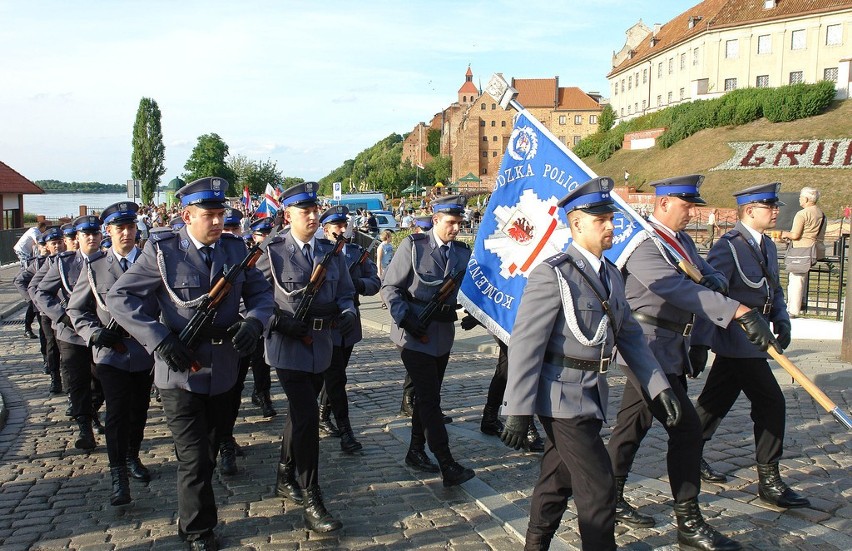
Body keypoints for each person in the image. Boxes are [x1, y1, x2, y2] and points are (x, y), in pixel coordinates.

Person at [499, 176, 683, 551]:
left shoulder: (612, 274)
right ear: (578, 223)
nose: (611, 225)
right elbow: (525, 344)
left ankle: (534, 545)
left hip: (592, 395)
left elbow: (631, 338)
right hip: (559, 399)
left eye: (611, 218)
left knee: (558, 478)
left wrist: (658, 390)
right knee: (599, 488)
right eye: (601, 220)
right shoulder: (553, 274)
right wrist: (516, 408)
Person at [606, 175, 777, 551]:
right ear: (664, 203)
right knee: (685, 430)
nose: (692, 213)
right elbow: (675, 287)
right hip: (644, 348)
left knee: (632, 425)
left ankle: (610, 498)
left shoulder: (679, 241)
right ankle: (688, 522)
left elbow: (701, 275)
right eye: (687, 206)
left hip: (668, 349)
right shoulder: (645, 244)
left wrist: (713, 283)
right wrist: (738, 311)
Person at [107, 177, 273, 550]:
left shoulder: (234, 249)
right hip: (179, 371)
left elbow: (262, 293)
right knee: (194, 457)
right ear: (186, 215)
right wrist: (158, 338)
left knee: (210, 451)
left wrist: (254, 321)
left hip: (225, 369)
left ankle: (193, 520)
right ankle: (198, 530)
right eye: (209, 215)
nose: (217, 222)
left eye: (221, 214)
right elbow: (121, 297)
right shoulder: (164, 251)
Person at [690, 182, 809, 510]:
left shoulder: (768, 246)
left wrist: (782, 319)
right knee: (772, 403)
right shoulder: (727, 247)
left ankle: (688, 451)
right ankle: (769, 480)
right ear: (750, 211)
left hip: (757, 341)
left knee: (714, 403)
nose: (774, 212)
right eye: (769, 207)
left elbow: (775, 288)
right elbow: (710, 296)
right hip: (736, 339)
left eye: (775, 208)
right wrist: (700, 341)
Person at [256, 182, 356, 533]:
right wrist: (277, 321)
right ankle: (312, 497)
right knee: (308, 416)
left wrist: (348, 313)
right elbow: (251, 301)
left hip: (322, 344)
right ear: (288, 215)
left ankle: (284, 474)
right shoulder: (272, 251)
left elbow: (345, 292)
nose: (313, 216)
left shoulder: (331, 250)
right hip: (287, 347)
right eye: (305, 211)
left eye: (315, 210)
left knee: (300, 415)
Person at [380, 194, 476, 488]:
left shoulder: (461, 252)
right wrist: (403, 317)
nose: (456, 228)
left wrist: (474, 314)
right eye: (451, 222)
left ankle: (415, 450)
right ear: (435, 220)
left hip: (442, 335)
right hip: (412, 334)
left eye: (459, 223)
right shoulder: (413, 246)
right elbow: (391, 287)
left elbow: (472, 289)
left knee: (426, 397)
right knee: (430, 399)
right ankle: (446, 462)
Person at [66, 201, 155, 506]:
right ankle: (118, 473)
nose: (127, 233)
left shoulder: (151, 262)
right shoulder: (95, 266)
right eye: (120, 228)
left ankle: (132, 456)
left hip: (143, 351)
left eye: (131, 227)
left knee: (139, 410)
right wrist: (93, 333)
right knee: (116, 411)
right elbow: (75, 308)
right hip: (111, 352)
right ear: (109, 231)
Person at [34, 216, 104, 450]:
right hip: (71, 333)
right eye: (86, 235)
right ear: (78, 238)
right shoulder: (64, 263)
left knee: (102, 380)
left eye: (96, 233)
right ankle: (84, 426)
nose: (92, 238)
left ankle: (91, 410)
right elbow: (41, 292)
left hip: (100, 332)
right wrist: (61, 316)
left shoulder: (108, 261)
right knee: (78, 380)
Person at [316, 205, 381, 453]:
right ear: (326, 229)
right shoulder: (319, 253)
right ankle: (346, 431)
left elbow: (375, 283)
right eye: (337, 227)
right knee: (336, 378)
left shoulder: (357, 253)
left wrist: (355, 283)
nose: (343, 230)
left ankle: (323, 413)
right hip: (326, 324)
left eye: (345, 226)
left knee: (337, 373)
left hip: (348, 323)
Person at [780, 187, 826, 318]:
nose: (799, 199)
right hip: (815, 249)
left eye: (800, 197)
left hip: (801, 250)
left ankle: (793, 309)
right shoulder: (820, 213)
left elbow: (795, 235)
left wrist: (783, 234)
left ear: (806, 199)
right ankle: (802, 302)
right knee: (802, 279)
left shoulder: (802, 214)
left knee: (796, 279)